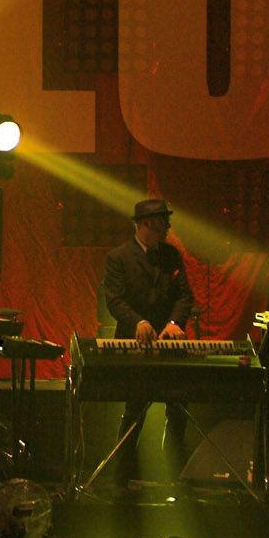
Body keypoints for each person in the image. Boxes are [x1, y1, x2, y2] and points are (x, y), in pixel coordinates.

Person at [103, 196, 195, 484]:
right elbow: (115, 301)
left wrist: (173, 323)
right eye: (163, 222)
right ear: (147, 224)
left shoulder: (171, 255)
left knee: (178, 407)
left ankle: (173, 475)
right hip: (135, 344)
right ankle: (123, 478)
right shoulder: (119, 257)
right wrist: (139, 322)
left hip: (169, 344)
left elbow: (184, 296)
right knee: (135, 410)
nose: (167, 228)